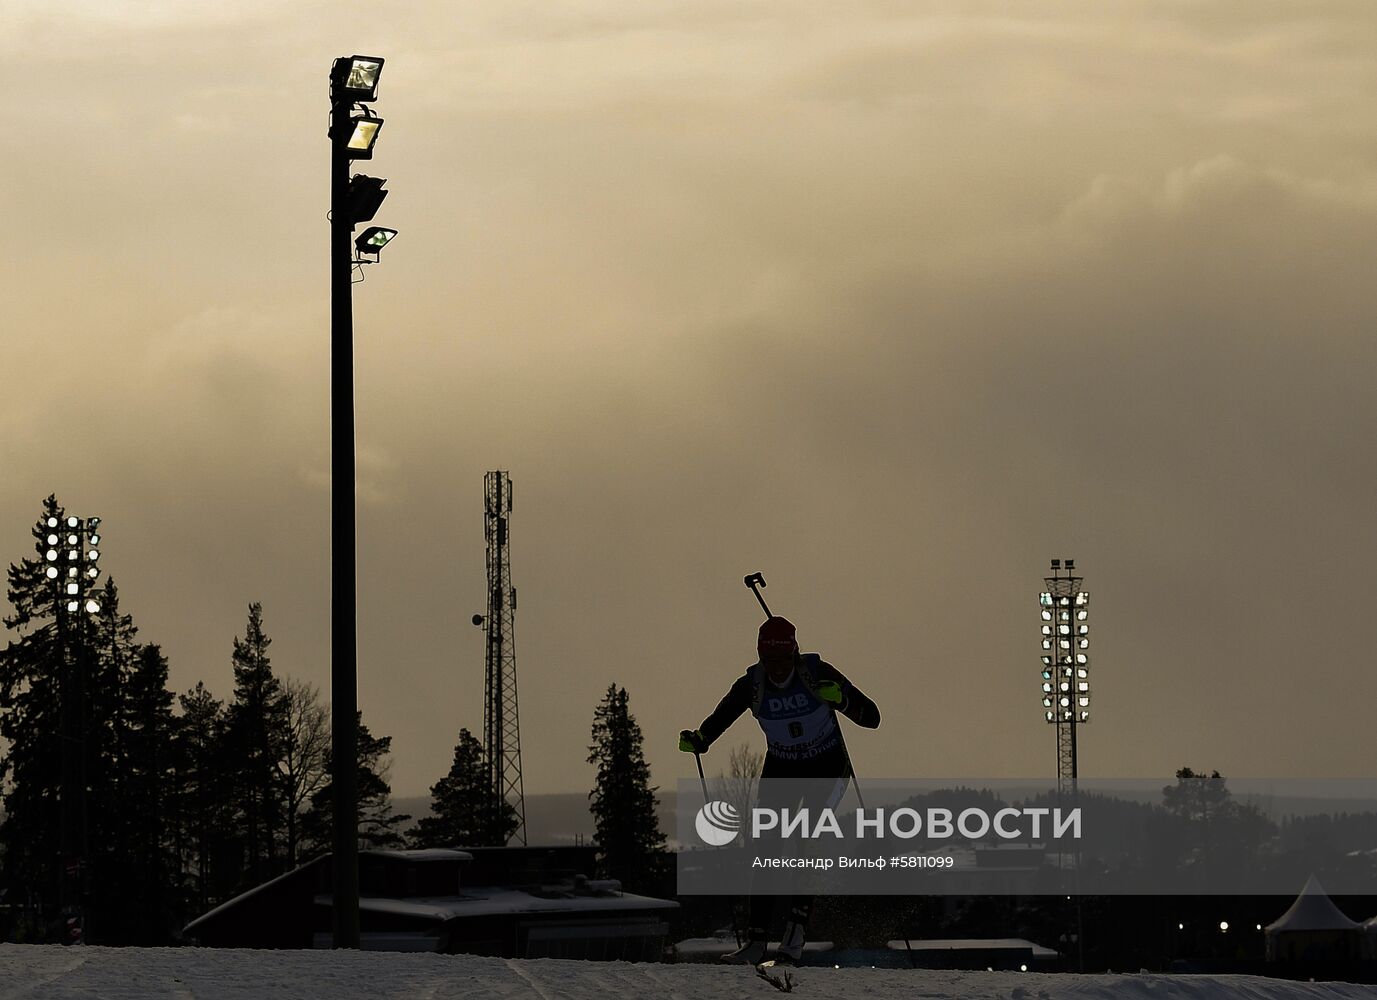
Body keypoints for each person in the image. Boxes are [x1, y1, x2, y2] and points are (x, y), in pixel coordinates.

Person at [679, 615, 880, 965]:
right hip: (783, 766)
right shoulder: (752, 684)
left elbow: (872, 717)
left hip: (827, 767)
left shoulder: (817, 674)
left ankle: (795, 933)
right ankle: (756, 941)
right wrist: (701, 739)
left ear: (795, 654)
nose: (774, 669)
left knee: (806, 835)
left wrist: (843, 701)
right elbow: (723, 715)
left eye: (782, 661)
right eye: (767, 661)